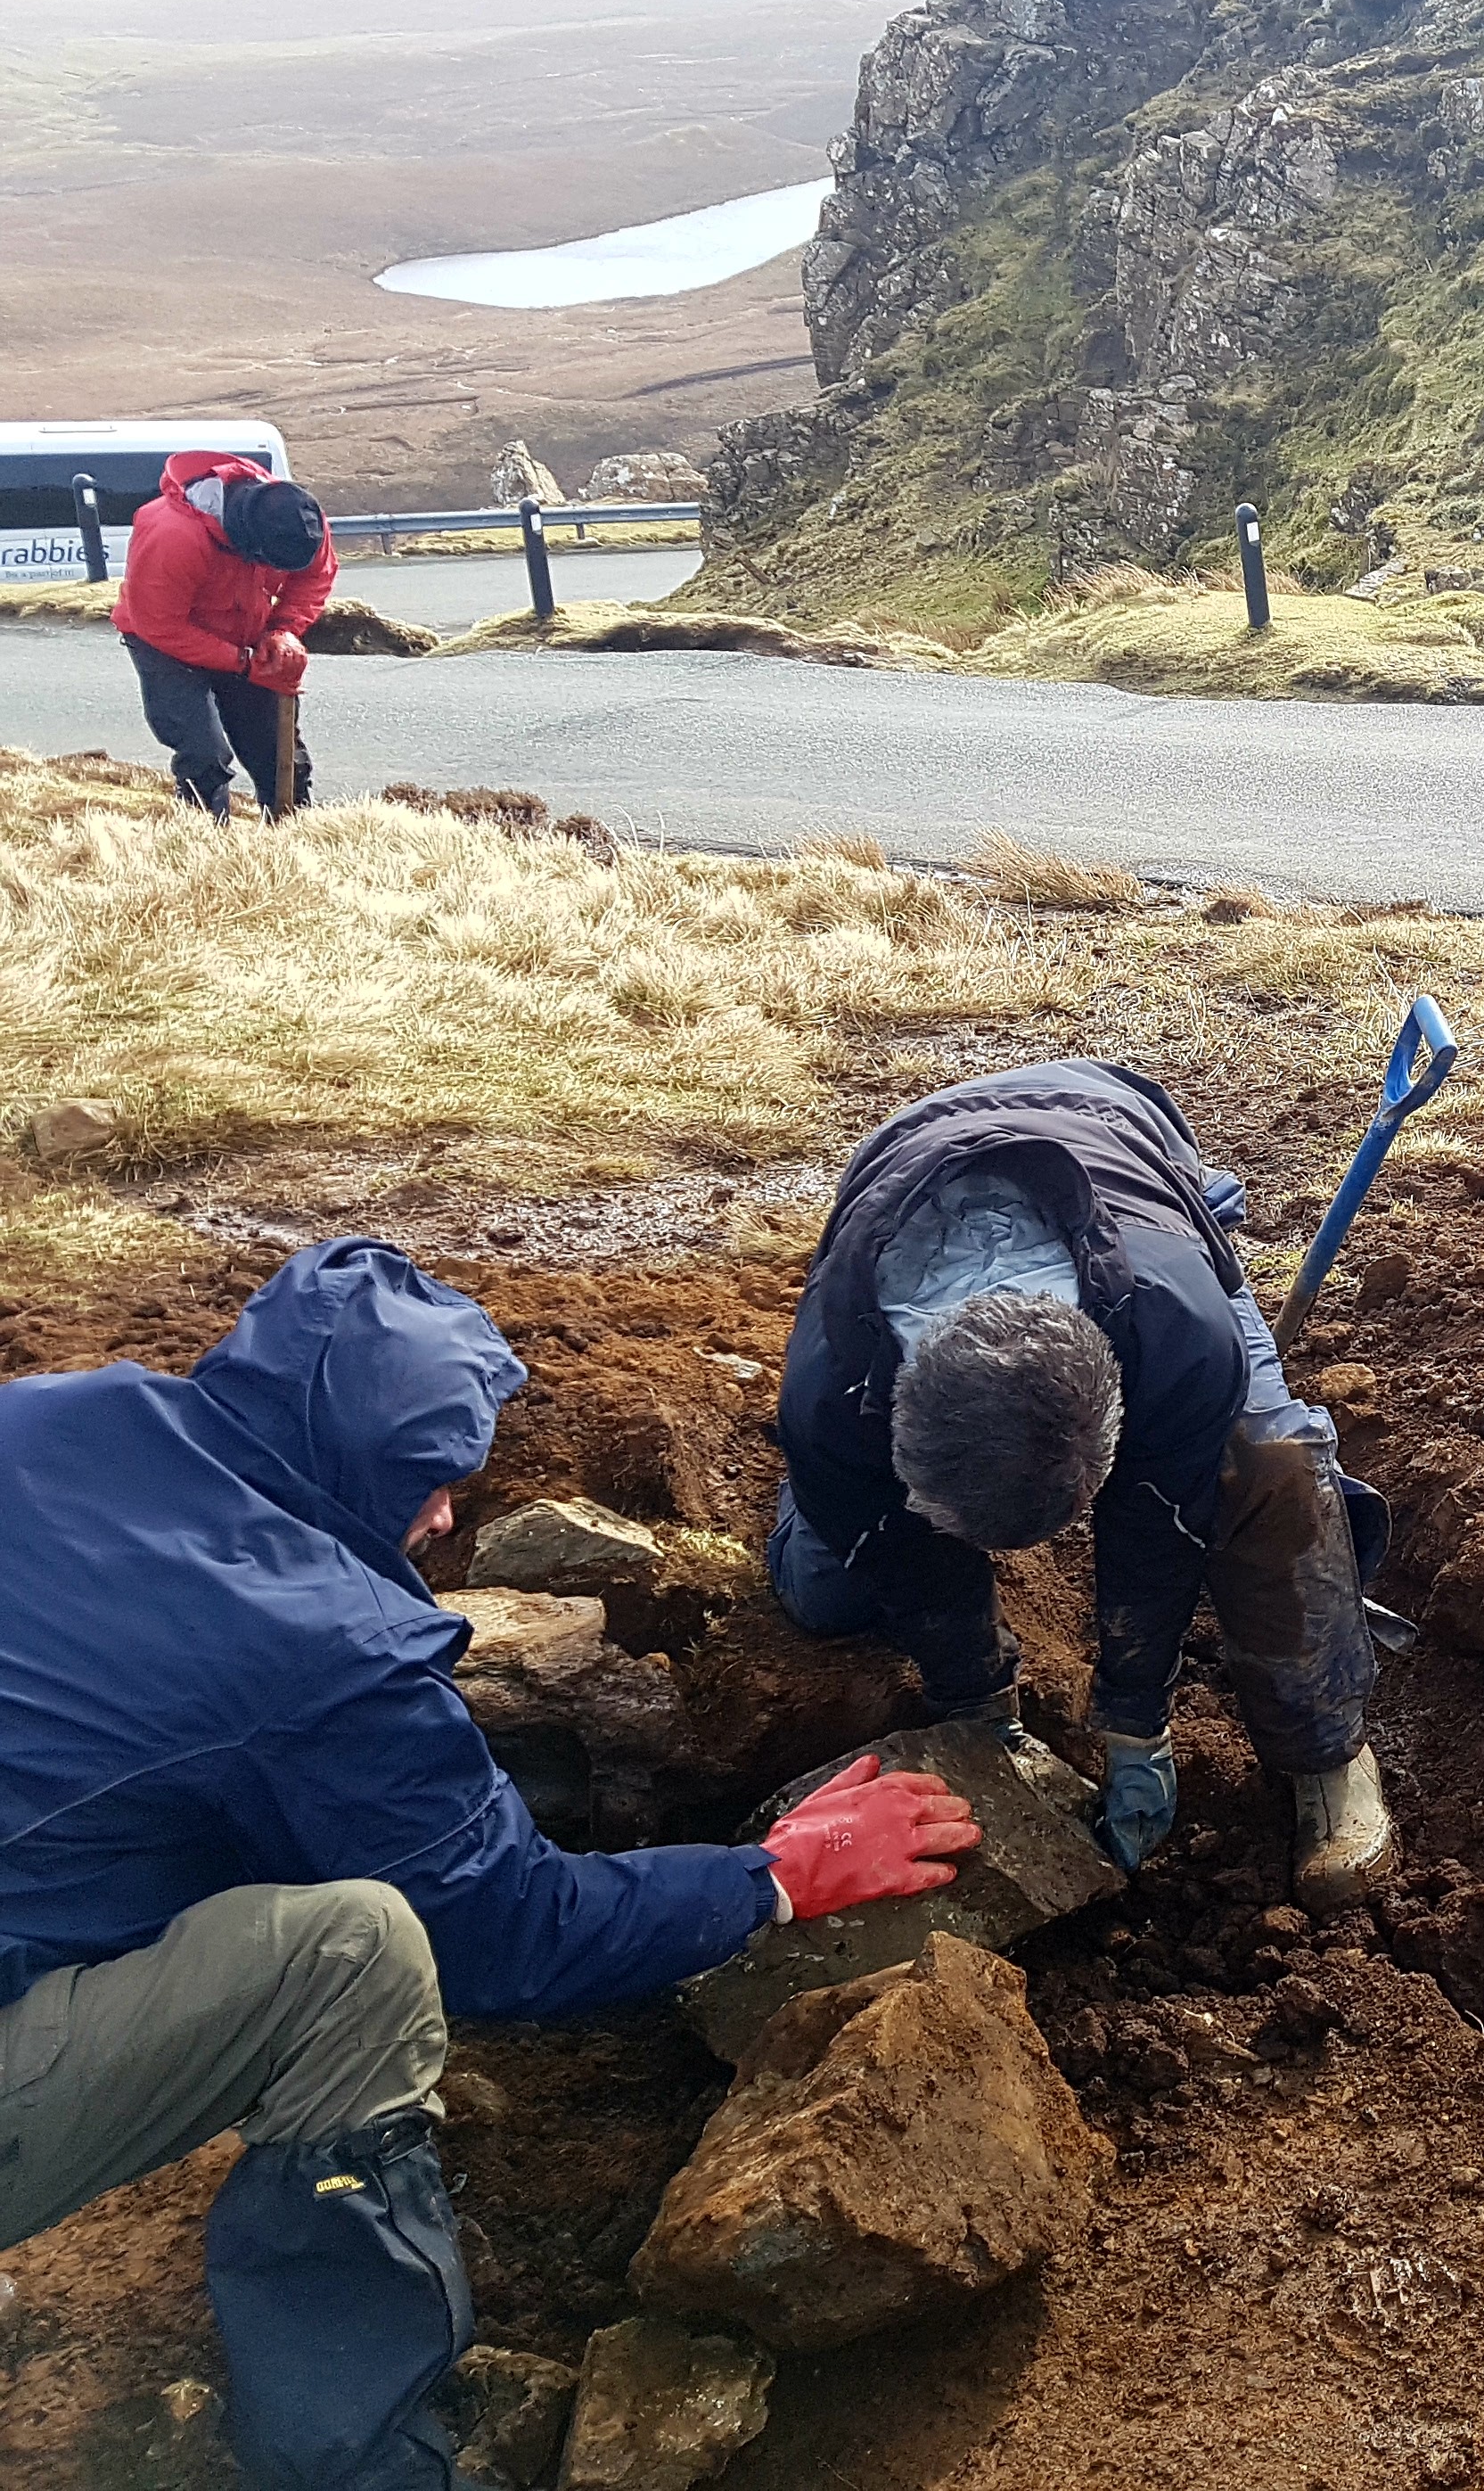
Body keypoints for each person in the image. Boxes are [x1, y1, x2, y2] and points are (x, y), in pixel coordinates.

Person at [0, 1238, 979, 2491]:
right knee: (352, 1957)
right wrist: (774, 1875)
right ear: (371, 1460)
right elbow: (507, 1935)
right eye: (437, 1482)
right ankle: (356, 2465)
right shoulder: (323, 1650)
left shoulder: (57, 1416)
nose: (449, 1516)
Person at [770, 1056, 1401, 1909]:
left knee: (1266, 1465)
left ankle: (1324, 1749)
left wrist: (1138, 1720)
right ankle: (813, 1504)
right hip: (910, 1160)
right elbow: (915, 1567)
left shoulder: (1178, 1328)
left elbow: (1160, 1525)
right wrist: (980, 1715)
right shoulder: (828, 1395)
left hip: (1120, 1152)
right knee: (833, 1586)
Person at [111, 448, 339, 819]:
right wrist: (242, 663)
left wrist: (283, 631)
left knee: (278, 752)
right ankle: (204, 841)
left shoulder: (299, 519)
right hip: (166, 644)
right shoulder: (172, 535)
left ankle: (292, 836)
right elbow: (161, 625)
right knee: (204, 753)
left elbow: (316, 576)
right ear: (247, 545)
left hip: (248, 635)